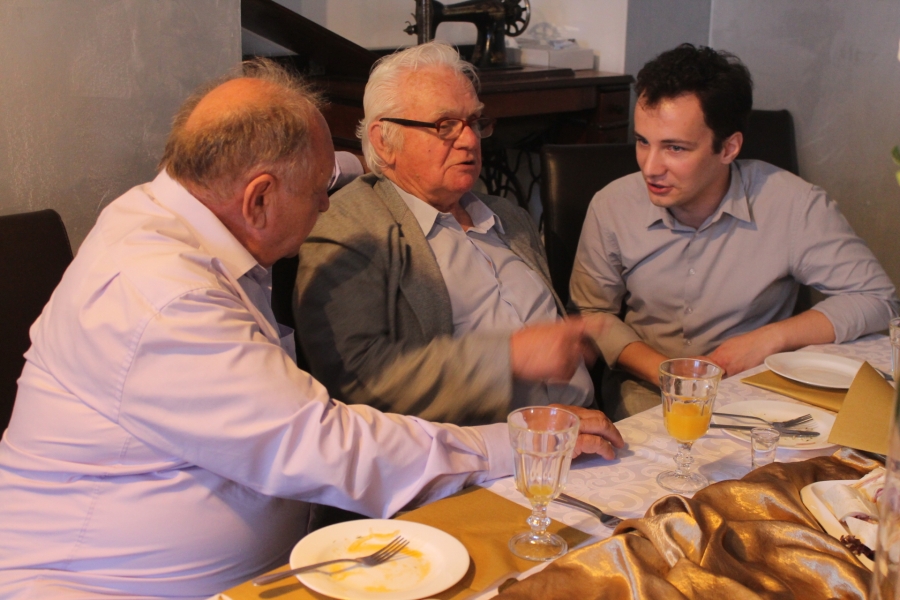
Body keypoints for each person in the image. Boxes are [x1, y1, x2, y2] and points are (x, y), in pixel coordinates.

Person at [0, 59, 624, 600]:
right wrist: (511, 445)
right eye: (320, 189)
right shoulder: (162, 296)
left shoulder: (179, 210)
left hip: (268, 566)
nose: (329, 203)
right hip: (106, 586)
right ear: (258, 199)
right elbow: (325, 447)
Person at [569, 44, 898, 420]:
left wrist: (769, 339)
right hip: (647, 397)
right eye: (643, 141)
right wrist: (667, 372)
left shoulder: (792, 204)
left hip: (754, 394)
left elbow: (877, 299)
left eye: (675, 148)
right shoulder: (612, 205)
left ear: (728, 148)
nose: (650, 167)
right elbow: (591, 312)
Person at [294, 42, 613, 425]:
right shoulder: (349, 227)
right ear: (384, 140)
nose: (470, 140)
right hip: (488, 449)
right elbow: (357, 377)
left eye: (474, 121)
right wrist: (510, 357)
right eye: (445, 125)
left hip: (593, 426)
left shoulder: (509, 217)